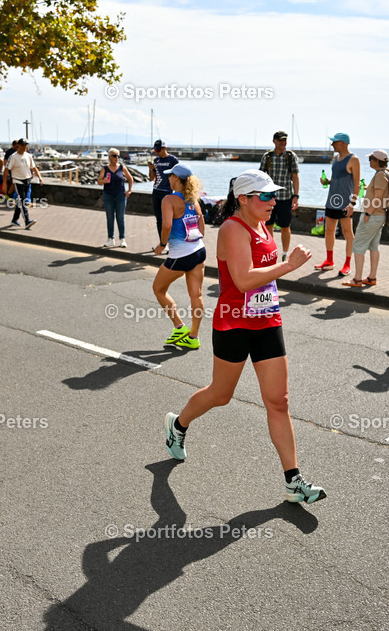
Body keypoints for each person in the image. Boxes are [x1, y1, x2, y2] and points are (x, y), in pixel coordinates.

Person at [163, 169, 326, 505]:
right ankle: (178, 425)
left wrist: (280, 267)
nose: (272, 201)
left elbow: (262, 277)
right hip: (234, 324)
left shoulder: (262, 224)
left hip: (267, 322)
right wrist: (288, 266)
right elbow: (243, 279)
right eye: (265, 196)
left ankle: (293, 482)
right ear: (245, 199)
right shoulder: (232, 229)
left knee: (278, 402)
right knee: (220, 394)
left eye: (273, 195)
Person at [152, 164, 205, 349]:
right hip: (199, 250)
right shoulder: (193, 199)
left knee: (158, 288)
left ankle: (179, 327)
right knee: (196, 295)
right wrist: (197, 241)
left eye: (171, 176)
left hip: (181, 255)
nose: (168, 179)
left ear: (178, 179)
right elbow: (201, 222)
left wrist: (162, 245)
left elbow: (166, 226)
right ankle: (194, 337)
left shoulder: (169, 200)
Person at [344, 149, 389, 287]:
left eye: (371, 158)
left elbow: (377, 198)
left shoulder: (380, 175)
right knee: (374, 246)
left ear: (377, 161)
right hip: (379, 216)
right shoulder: (386, 174)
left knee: (358, 246)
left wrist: (367, 213)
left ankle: (357, 279)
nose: (369, 161)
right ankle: (371, 278)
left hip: (373, 216)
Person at [315, 133, 358, 275]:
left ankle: (347, 264)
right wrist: (327, 181)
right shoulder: (335, 158)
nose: (332, 145)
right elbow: (336, 180)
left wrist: (352, 204)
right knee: (329, 231)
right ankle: (329, 261)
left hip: (345, 203)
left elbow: (357, 185)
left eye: (335, 142)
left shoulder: (354, 160)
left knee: (348, 234)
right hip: (331, 201)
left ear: (344, 143)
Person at [258, 130, 300, 262]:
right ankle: (270, 249)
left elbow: (295, 176)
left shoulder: (290, 156)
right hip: (269, 196)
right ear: (274, 141)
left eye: (285, 140)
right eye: (281, 140)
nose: (283, 142)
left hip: (285, 196)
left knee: (285, 226)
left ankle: (285, 252)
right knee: (268, 224)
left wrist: (296, 195)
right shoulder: (268, 156)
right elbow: (261, 175)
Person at [98, 148, 133, 247]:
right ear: (109, 157)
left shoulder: (122, 167)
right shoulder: (105, 168)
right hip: (108, 195)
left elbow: (130, 179)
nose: (117, 158)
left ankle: (122, 239)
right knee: (110, 218)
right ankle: (110, 239)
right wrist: (103, 181)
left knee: (120, 217)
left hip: (120, 196)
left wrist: (130, 190)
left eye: (118, 156)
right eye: (114, 156)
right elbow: (99, 182)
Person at [4, 138, 42, 229]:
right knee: (22, 201)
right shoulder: (13, 157)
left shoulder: (28, 156)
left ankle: (14, 220)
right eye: (24, 145)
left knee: (21, 201)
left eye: (26, 145)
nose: (25, 146)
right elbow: (6, 170)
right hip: (18, 181)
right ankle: (27, 221)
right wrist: (4, 183)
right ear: (19, 146)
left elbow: (34, 168)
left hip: (27, 181)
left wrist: (40, 177)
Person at [149, 140, 179, 253]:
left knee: (169, 220)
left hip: (168, 192)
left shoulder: (173, 160)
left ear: (164, 148)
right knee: (159, 219)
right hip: (156, 191)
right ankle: (162, 243)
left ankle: (172, 244)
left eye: (158, 150)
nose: (156, 152)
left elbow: (178, 176)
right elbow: (152, 178)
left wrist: (178, 193)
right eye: (155, 150)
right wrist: (151, 169)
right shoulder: (156, 160)